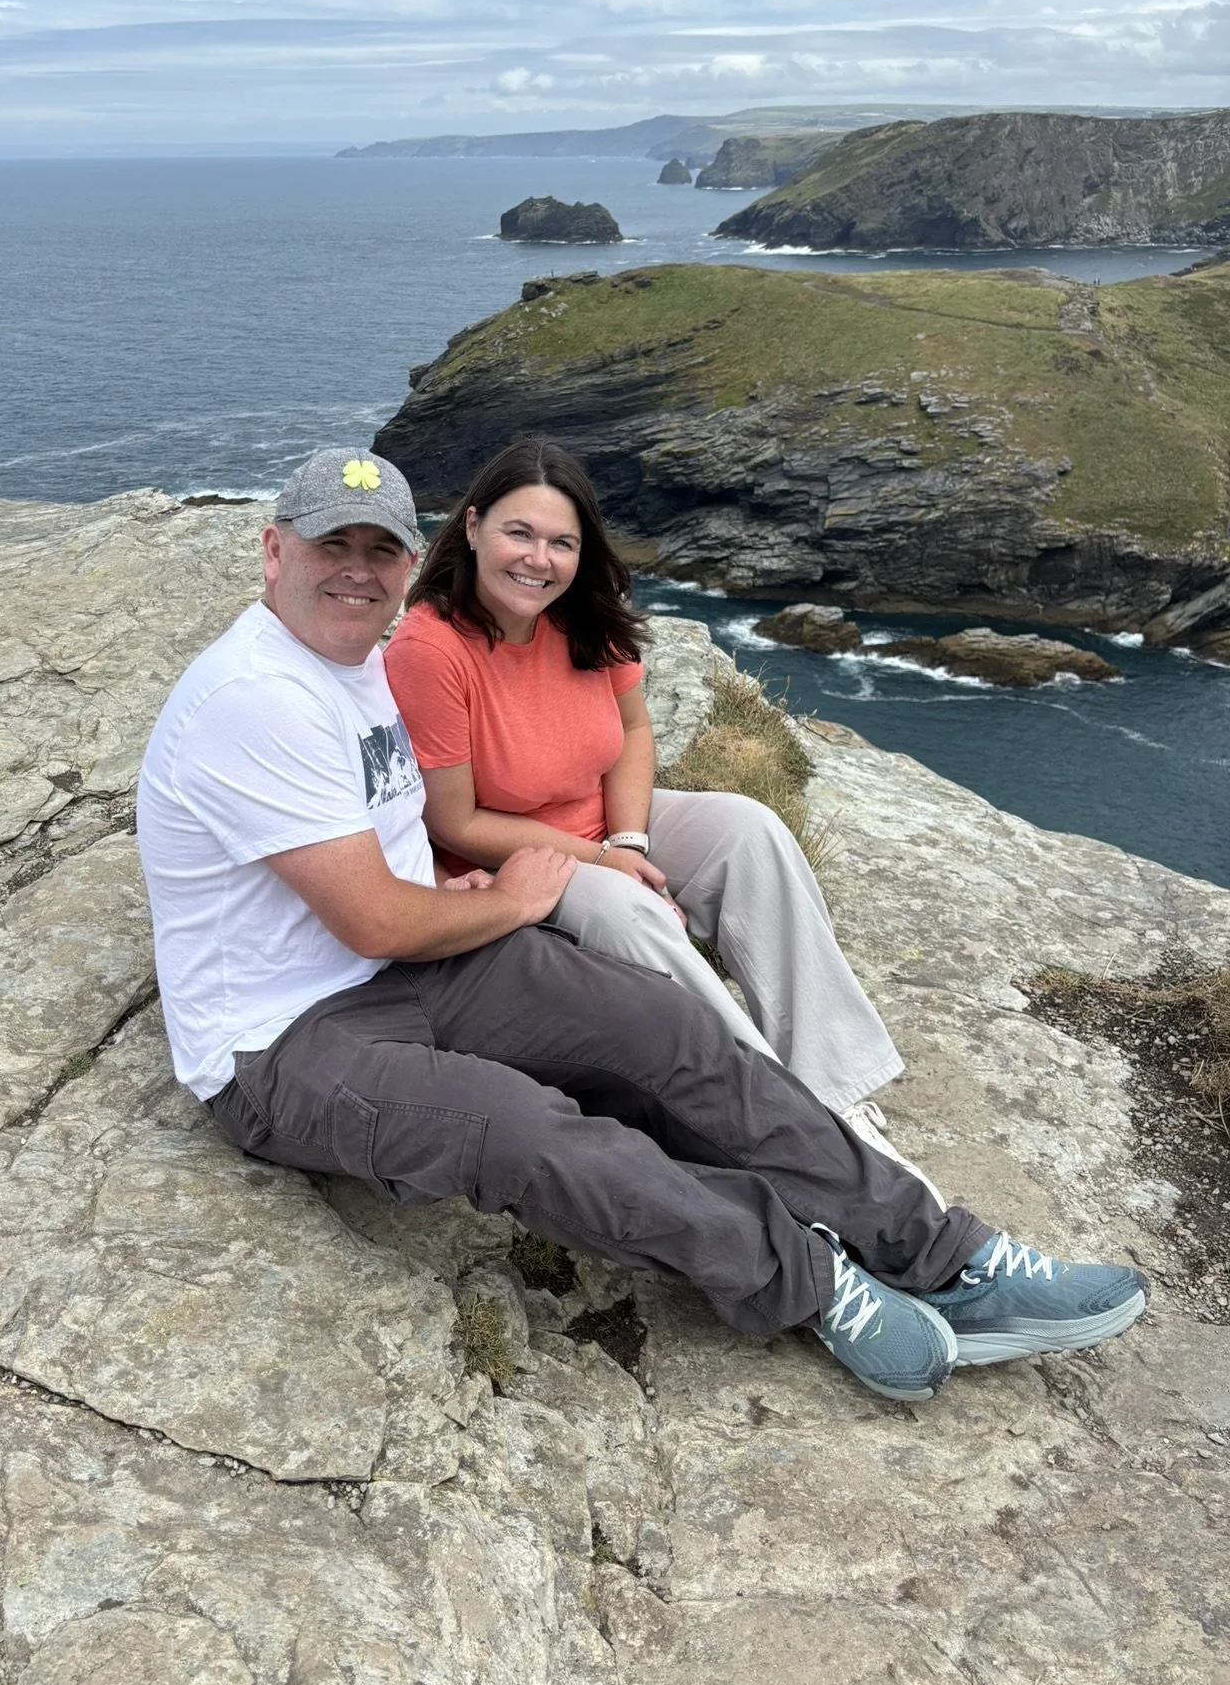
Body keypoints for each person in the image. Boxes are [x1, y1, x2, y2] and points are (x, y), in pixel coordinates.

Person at [136, 447, 1147, 1405]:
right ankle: (806, 1279)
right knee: (522, 1127)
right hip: (283, 1041)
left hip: (416, 963)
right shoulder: (254, 697)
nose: (357, 572)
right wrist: (520, 897)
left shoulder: (357, 657)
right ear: (274, 550)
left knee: (667, 1028)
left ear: (412, 558)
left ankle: (949, 1253)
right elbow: (372, 915)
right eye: (330, 545)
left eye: (380, 549)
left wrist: (536, 871)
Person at [382, 434, 925, 1178]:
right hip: (509, 857)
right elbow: (455, 822)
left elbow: (633, 732)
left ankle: (831, 1087)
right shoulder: (430, 648)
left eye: (561, 542)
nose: (538, 559)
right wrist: (606, 862)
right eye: (519, 533)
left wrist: (630, 842)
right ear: (472, 528)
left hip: (604, 825)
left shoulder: (584, 615)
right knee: (624, 908)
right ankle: (780, 1122)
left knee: (750, 830)